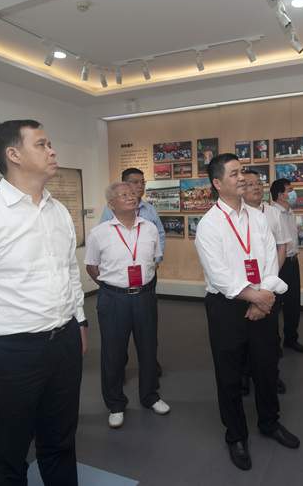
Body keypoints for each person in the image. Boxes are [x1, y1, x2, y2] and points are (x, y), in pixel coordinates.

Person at [0, 120, 87, 485]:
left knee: (60, 441)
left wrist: (79, 322)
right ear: (13, 154)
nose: (52, 151)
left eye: (49, 143)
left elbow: (69, 272)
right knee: (11, 454)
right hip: (12, 354)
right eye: (41, 144)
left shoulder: (58, 211)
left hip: (64, 343)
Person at [195, 153, 299, 472]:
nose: (242, 178)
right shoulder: (209, 224)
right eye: (234, 174)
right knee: (229, 374)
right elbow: (219, 274)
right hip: (227, 306)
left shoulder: (257, 217)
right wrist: (256, 297)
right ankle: (236, 436)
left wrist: (262, 295)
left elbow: (269, 259)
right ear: (217, 183)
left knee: (266, 366)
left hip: (262, 298)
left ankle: (269, 422)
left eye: (242, 172)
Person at [85, 182, 170, 429]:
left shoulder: (150, 228)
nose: (131, 196)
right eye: (123, 194)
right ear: (111, 204)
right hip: (114, 299)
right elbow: (91, 266)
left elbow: (154, 259)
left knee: (148, 348)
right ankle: (115, 404)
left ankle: (150, 396)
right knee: (113, 352)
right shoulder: (99, 233)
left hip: (145, 297)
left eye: (132, 193)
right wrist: (112, 287)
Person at [99, 167, 165, 376]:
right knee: (118, 331)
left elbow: (160, 235)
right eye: (134, 182)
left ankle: (150, 364)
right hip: (119, 282)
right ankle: (119, 366)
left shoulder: (150, 210)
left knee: (147, 327)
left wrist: (156, 261)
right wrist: (109, 283)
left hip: (146, 277)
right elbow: (101, 244)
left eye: (142, 182)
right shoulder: (109, 211)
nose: (139, 186)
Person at [241, 170, 290, 395]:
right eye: (250, 184)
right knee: (244, 333)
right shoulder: (236, 215)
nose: (256, 187)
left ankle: (272, 374)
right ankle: (244, 374)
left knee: (269, 334)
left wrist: (270, 279)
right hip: (243, 286)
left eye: (259, 183)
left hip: (269, 282)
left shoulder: (273, 213)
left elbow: (282, 245)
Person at [270, 178, 303, 354]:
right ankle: (274, 344)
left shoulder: (291, 213)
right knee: (275, 305)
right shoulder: (271, 214)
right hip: (278, 264)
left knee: (293, 304)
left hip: (293, 262)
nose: (294, 193)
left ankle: (291, 339)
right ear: (281, 195)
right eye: (290, 190)